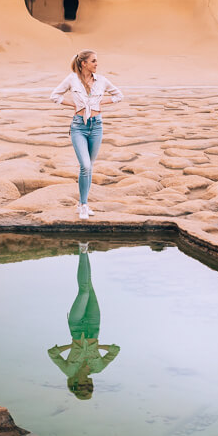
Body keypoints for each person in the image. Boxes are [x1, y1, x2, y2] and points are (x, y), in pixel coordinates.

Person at [50, 50, 123, 220]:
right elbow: (55, 96)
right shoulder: (72, 79)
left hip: (97, 126)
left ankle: (83, 203)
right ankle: (83, 205)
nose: (97, 64)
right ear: (84, 63)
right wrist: (73, 105)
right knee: (85, 166)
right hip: (78, 127)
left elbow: (119, 95)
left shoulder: (102, 81)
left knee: (89, 166)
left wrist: (100, 102)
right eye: (94, 61)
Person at [47, 243, 120, 399]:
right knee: (89, 285)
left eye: (82, 386)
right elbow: (115, 350)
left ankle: (83, 249)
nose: (86, 383)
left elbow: (52, 353)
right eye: (89, 387)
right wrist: (97, 345)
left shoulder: (69, 370)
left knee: (84, 290)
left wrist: (72, 345)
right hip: (94, 325)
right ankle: (84, 250)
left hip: (76, 325)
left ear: (75, 385)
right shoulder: (98, 368)